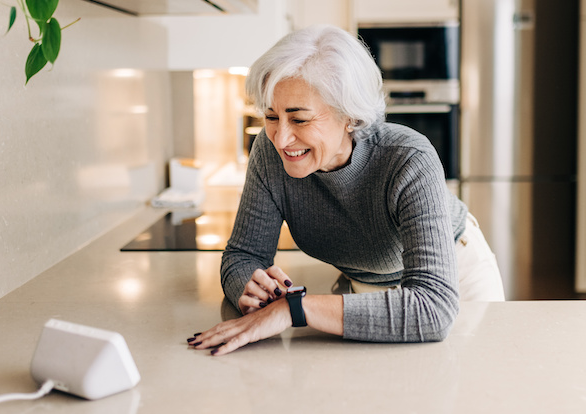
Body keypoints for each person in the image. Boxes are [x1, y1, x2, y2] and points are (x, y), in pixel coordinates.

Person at [188, 24, 504, 356]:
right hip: (367, 286)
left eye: (299, 120)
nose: (280, 139)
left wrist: (294, 308)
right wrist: (248, 286)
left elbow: (433, 309)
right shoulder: (269, 155)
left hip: (456, 278)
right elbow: (242, 255)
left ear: (348, 116)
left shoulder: (408, 158)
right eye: (271, 116)